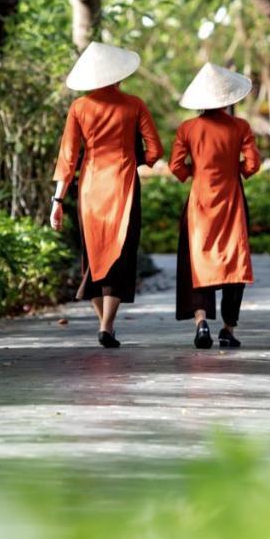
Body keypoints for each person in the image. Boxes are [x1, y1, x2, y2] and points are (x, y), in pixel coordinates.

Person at [50, 41, 163, 348]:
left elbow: (68, 156)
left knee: (94, 256)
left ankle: (105, 326)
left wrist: (57, 201)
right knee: (121, 256)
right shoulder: (134, 104)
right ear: (118, 74)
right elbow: (155, 150)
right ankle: (107, 325)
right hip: (124, 185)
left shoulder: (79, 108)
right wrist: (135, 157)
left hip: (90, 189)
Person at [169, 63, 261, 349]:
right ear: (227, 98)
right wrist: (238, 172)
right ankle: (227, 328)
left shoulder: (188, 128)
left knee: (199, 260)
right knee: (234, 261)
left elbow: (175, 166)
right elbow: (253, 163)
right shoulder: (240, 127)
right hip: (231, 201)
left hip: (199, 203)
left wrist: (193, 175)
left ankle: (201, 323)